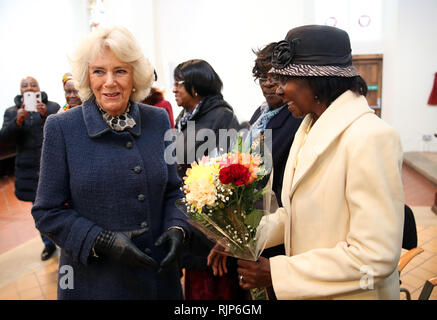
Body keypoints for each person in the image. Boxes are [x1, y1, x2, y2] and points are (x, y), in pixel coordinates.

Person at [210, 25, 404, 300]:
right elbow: (295, 214)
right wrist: (240, 237)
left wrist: (279, 272)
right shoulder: (308, 128)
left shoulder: (372, 137)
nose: (279, 90)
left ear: (315, 82)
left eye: (285, 80)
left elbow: (376, 256)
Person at [31, 26, 190, 299]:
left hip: (158, 279)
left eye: (120, 70)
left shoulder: (157, 120)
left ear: (135, 76)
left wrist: (177, 226)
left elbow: (173, 190)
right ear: (86, 76)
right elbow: (47, 212)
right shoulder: (62, 128)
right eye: (98, 71)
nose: (109, 82)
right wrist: (100, 240)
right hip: (96, 283)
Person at [172, 59, 242, 300]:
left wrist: (223, 236)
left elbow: (230, 179)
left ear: (196, 86)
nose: (173, 89)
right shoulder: (185, 117)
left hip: (212, 230)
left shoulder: (222, 117)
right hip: (190, 222)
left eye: (178, 83)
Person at [0, 76, 60, 261]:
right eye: (24, 85)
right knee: (39, 210)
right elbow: (4, 139)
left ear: (39, 88)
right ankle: (48, 244)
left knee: (61, 205)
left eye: (33, 84)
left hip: (53, 167)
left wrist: (45, 117)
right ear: (20, 91)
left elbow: (60, 134)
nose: (29, 88)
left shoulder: (52, 107)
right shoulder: (12, 112)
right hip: (28, 171)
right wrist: (17, 122)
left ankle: (66, 240)